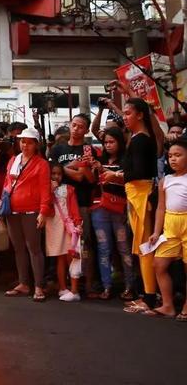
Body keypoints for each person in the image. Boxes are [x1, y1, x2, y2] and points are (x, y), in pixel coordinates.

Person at [49, 113, 97, 293]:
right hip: (59, 204)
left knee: (84, 243)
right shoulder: (57, 149)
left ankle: (89, 282)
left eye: (81, 126)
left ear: (86, 130)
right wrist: (71, 166)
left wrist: (64, 169)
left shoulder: (87, 150)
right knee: (62, 245)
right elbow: (53, 174)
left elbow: (83, 176)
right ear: (70, 125)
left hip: (81, 202)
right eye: (74, 125)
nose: (76, 129)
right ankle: (66, 284)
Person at [2, 128, 52, 302]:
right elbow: (7, 183)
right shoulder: (13, 161)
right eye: (23, 141)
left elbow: (45, 189)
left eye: (30, 142)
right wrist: (3, 202)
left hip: (32, 210)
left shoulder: (42, 164)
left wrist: (43, 211)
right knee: (18, 248)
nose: (25, 145)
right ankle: (24, 283)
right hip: (12, 210)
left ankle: (38, 286)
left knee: (34, 248)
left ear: (36, 145)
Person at [120, 98, 159, 313]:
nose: (125, 117)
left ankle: (150, 297)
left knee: (145, 248)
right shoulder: (139, 138)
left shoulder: (141, 140)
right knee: (143, 248)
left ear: (140, 115)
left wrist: (117, 175)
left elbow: (139, 172)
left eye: (128, 113)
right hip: (137, 194)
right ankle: (148, 295)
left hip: (142, 195)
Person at [90, 127, 134, 300]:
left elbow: (131, 181)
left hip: (120, 208)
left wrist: (112, 174)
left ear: (120, 142)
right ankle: (107, 286)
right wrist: (96, 169)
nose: (108, 145)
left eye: (112, 142)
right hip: (99, 208)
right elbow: (92, 183)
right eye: (105, 142)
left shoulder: (127, 160)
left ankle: (130, 286)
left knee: (124, 248)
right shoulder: (99, 160)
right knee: (103, 249)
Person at [147, 139, 187, 319]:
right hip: (170, 225)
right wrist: (156, 232)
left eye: (178, 155)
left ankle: (186, 307)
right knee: (159, 264)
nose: (173, 159)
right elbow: (160, 208)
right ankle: (168, 305)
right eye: (170, 156)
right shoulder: (166, 180)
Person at [46, 163, 83, 302]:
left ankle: (74, 290)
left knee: (72, 256)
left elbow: (73, 208)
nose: (56, 176)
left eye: (59, 174)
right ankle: (62, 288)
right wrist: (49, 191)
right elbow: (45, 206)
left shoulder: (69, 189)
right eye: (53, 173)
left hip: (68, 225)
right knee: (59, 257)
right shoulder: (45, 189)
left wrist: (78, 223)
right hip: (53, 226)